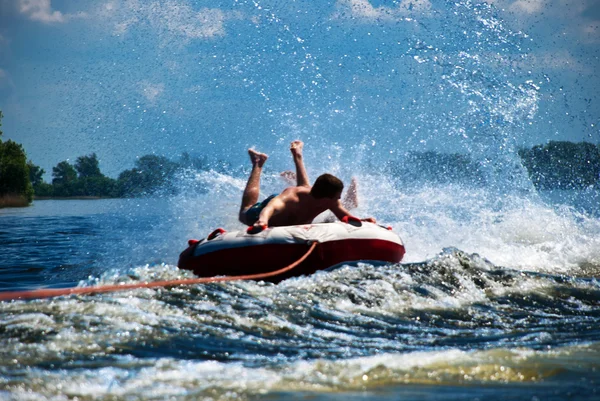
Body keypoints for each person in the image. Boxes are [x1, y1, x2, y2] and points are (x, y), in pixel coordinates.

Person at [239, 140, 376, 228]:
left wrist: (362, 221)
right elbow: (270, 208)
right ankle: (258, 163)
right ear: (326, 198)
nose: (338, 199)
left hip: (305, 197)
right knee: (245, 212)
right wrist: (262, 221)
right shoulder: (290, 199)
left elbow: (344, 216)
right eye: (337, 196)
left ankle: (298, 156)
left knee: (304, 188)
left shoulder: (330, 201)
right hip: (262, 212)